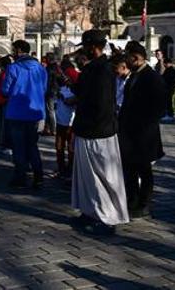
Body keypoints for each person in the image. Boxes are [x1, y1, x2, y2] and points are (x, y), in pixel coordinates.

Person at [71, 29, 129, 235]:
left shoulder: (103, 70)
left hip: (97, 131)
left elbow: (103, 103)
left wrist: (94, 126)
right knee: (87, 176)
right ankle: (90, 210)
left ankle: (106, 217)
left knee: (102, 176)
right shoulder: (94, 68)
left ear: (92, 47)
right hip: (89, 128)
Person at [119, 42, 166, 220]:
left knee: (144, 170)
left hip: (144, 134)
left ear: (136, 57)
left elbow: (158, 108)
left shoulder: (151, 77)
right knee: (130, 169)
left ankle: (144, 204)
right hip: (129, 133)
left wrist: (142, 124)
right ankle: (132, 200)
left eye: (128, 57)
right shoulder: (134, 76)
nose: (126, 61)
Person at [2, 40, 47, 188]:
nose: (12, 52)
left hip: (17, 111)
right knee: (32, 145)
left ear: (19, 50)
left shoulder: (13, 68)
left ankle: (20, 177)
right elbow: (44, 88)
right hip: (35, 111)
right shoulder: (40, 68)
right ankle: (38, 175)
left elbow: (5, 90)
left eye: (14, 49)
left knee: (19, 146)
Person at [54, 74, 76, 180]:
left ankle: (70, 170)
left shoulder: (75, 91)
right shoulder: (60, 89)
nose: (65, 80)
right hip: (60, 122)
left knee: (71, 148)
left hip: (71, 123)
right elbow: (55, 104)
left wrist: (61, 97)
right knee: (59, 147)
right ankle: (61, 169)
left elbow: (70, 102)